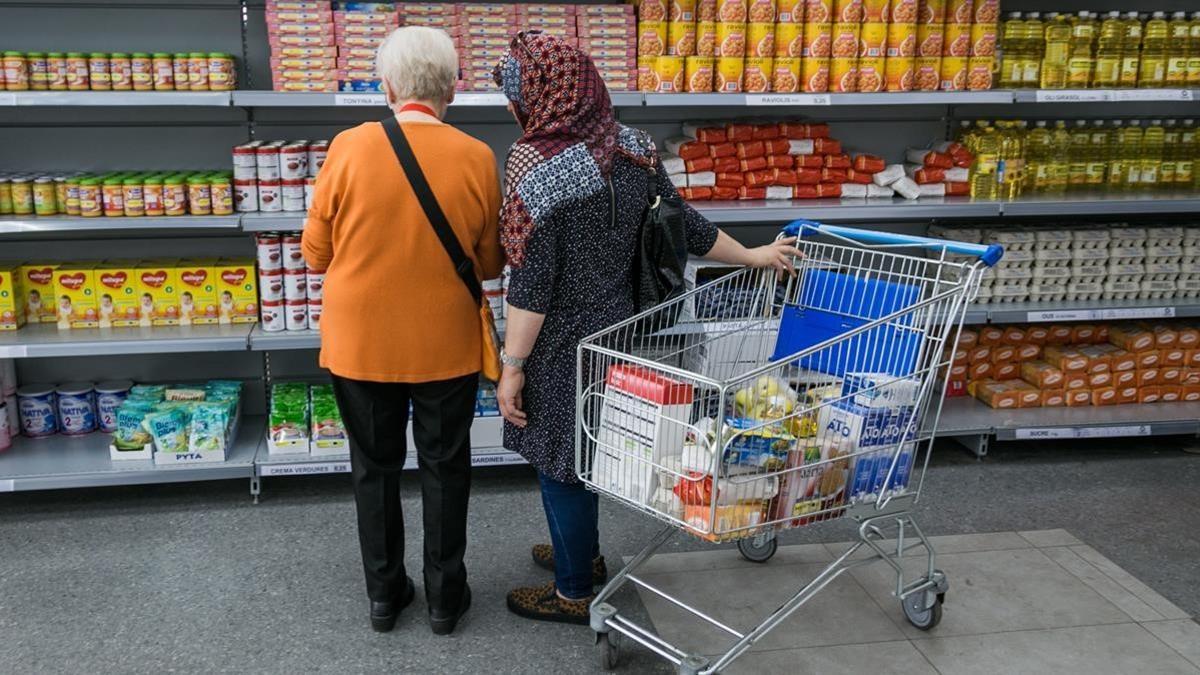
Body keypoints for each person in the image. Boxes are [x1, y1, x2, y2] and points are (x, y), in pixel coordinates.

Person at [493, 33, 798, 625]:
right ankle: (575, 550)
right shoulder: (635, 148)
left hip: (561, 341)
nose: (514, 109)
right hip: (632, 329)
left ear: (540, 97)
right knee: (591, 447)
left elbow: (532, 283)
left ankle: (574, 588)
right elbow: (683, 225)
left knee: (560, 460)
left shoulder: (536, 163)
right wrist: (755, 255)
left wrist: (512, 367)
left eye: (518, 96)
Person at [301, 26, 504, 636]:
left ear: (386, 86)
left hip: (359, 341)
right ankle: (446, 599)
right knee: (445, 467)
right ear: (452, 89)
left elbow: (315, 255)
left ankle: (385, 596)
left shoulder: (348, 147)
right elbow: (491, 263)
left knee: (373, 467)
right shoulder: (476, 156)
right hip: (444, 343)